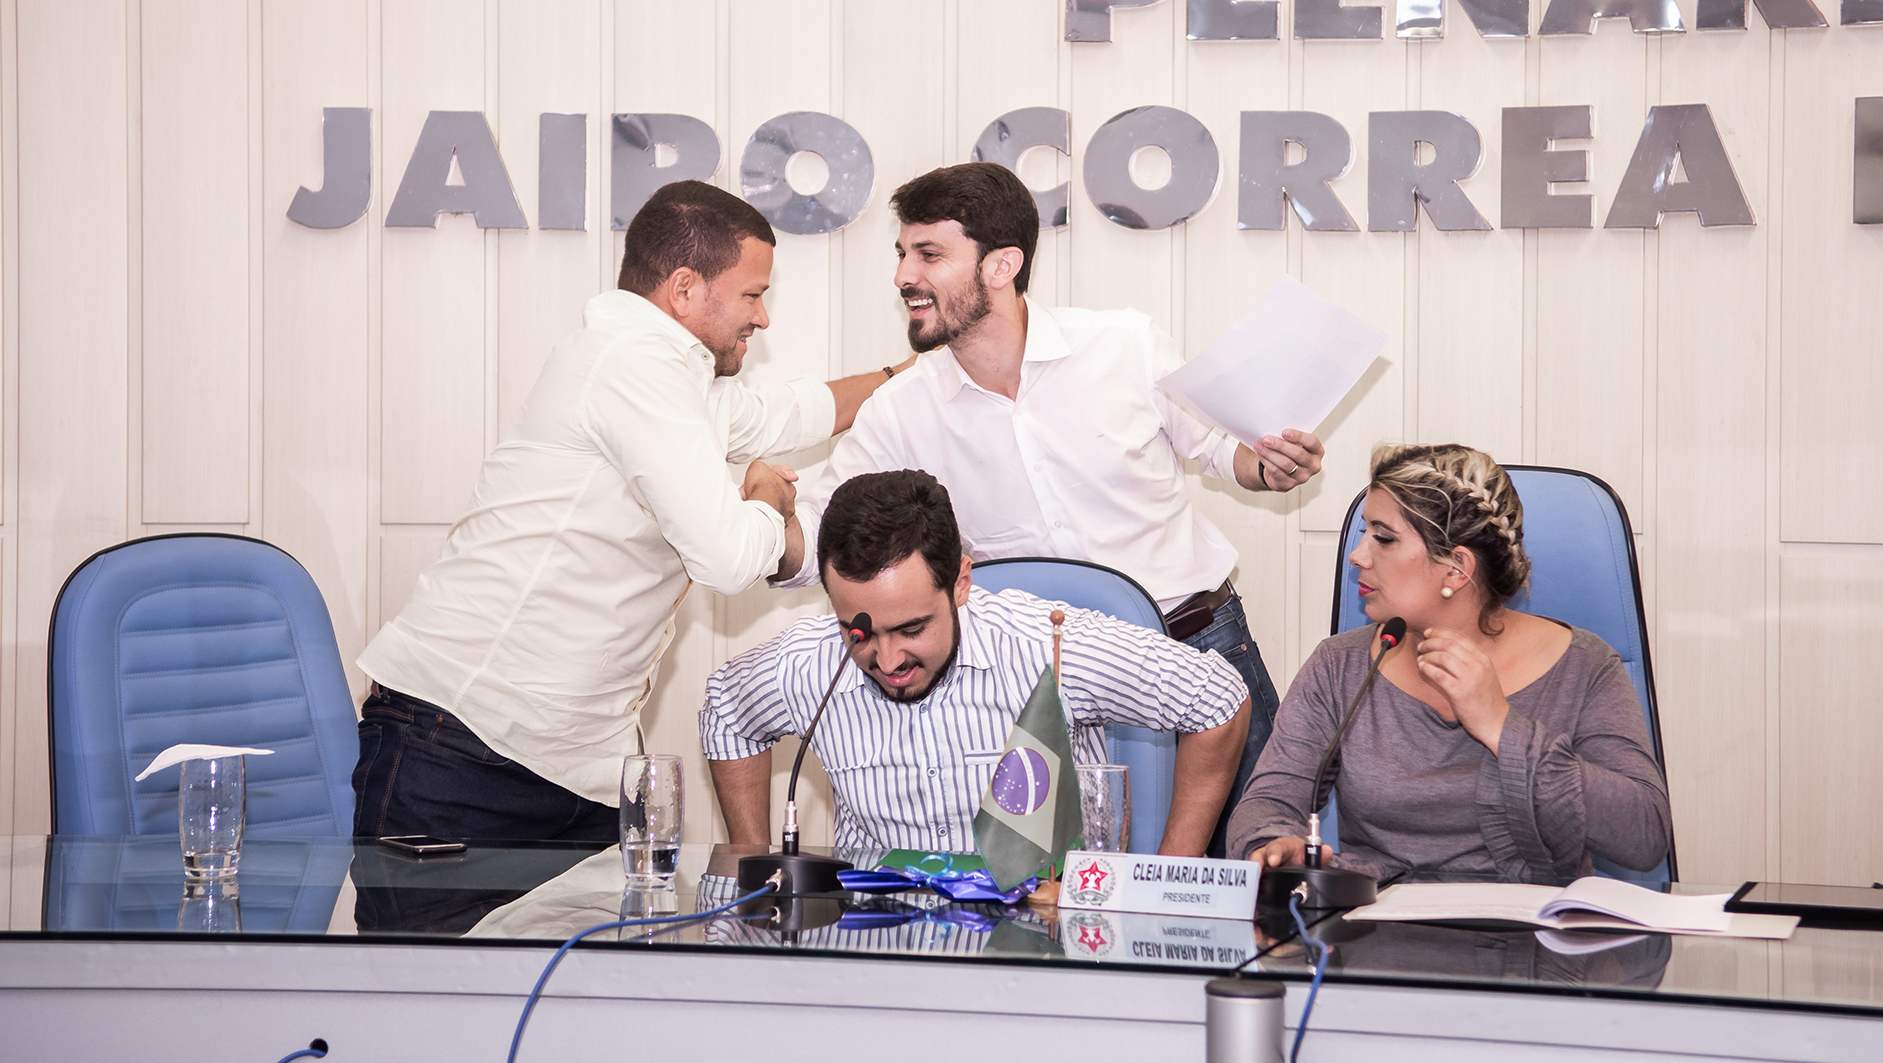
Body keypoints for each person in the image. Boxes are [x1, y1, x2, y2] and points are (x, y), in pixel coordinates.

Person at [775, 162, 1324, 858]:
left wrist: (1271, 464)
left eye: (928, 254)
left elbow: (1224, 451)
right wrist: (761, 512)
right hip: (1050, 685)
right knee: (1055, 891)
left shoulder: (1125, 345)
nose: (903, 276)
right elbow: (814, 544)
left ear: (1001, 265)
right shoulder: (900, 410)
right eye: (903, 253)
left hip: (1198, 643)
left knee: (1262, 866)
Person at [353, 180, 902, 844]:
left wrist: (904, 377)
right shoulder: (633, 362)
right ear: (684, 288)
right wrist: (768, 497)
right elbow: (726, 557)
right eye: (752, 295)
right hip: (463, 750)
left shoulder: (671, 375)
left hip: (573, 765)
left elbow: (785, 412)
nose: (762, 318)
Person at [701, 470, 1251, 857]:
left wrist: (1166, 878)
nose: (887, 660)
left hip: (1041, 938)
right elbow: (726, 710)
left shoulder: (1049, 644)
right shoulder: (809, 663)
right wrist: (753, 874)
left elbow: (1217, 699)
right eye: (859, 633)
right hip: (880, 943)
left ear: (960, 583)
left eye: (911, 629)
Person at [1227, 444, 1671, 883]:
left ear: (1457, 568)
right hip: (1380, 924)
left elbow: (1644, 835)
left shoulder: (1584, 666)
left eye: (1384, 538)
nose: (1358, 556)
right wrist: (1272, 843)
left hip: (1536, 925)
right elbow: (1268, 802)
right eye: (1365, 533)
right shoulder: (1338, 666)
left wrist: (1500, 725)